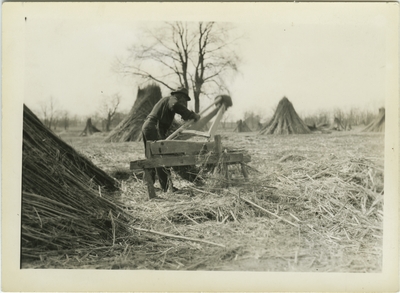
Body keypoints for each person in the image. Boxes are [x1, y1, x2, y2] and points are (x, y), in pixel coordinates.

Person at [142, 87, 200, 192]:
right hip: (154, 127)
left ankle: (148, 184)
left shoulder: (165, 101)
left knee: (151, 156)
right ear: (180, 96)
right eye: (184, 99)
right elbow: (177, 107)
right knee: (161, 157)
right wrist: (191, 115)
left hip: (147, 126)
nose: (184, 102)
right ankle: (166, 187)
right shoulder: (171, 99)